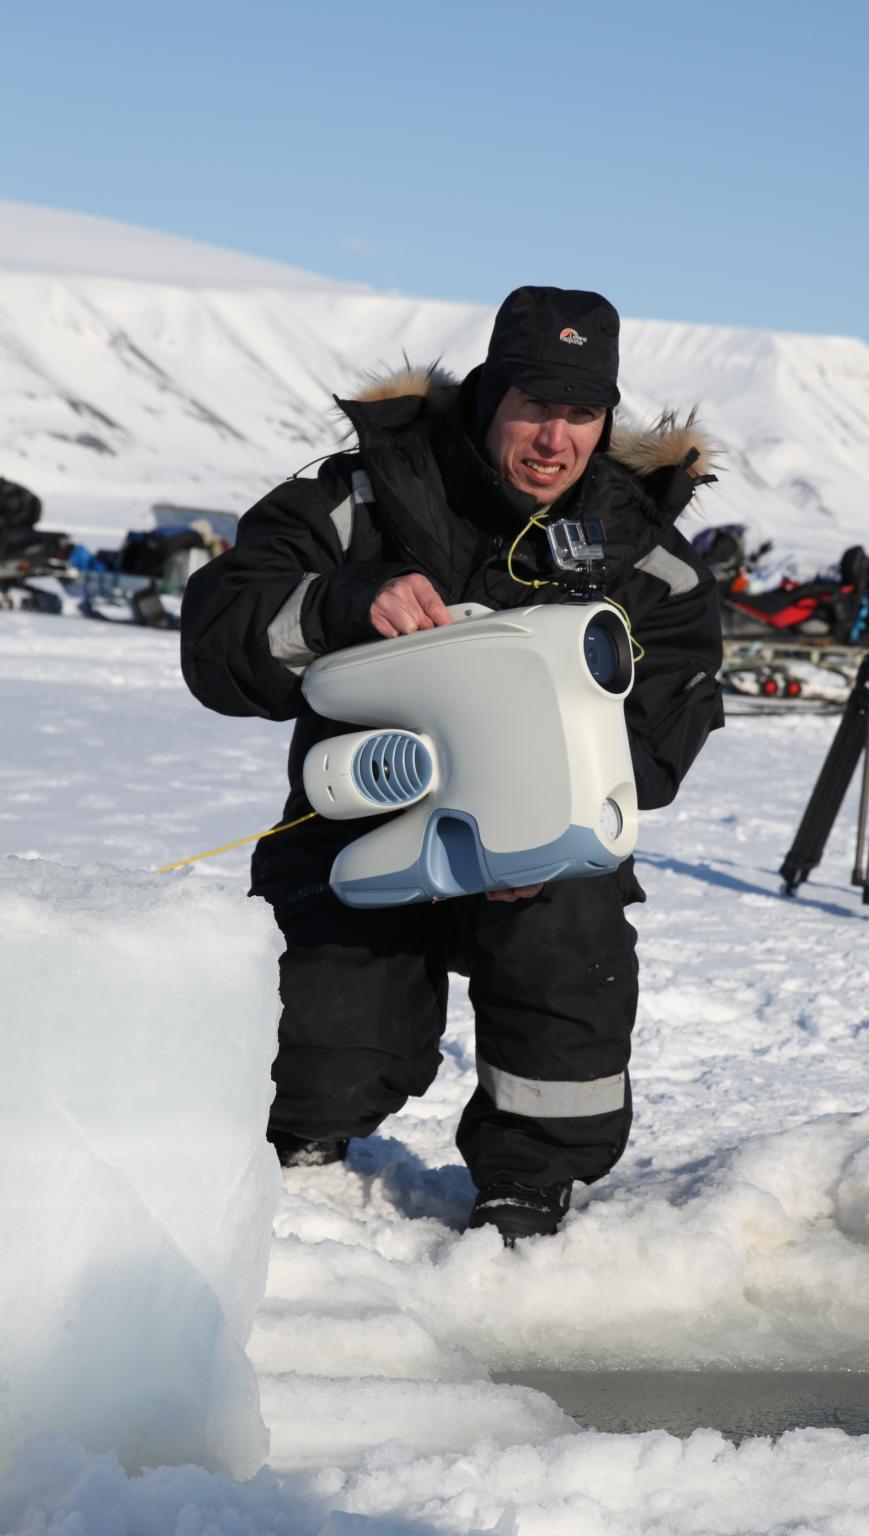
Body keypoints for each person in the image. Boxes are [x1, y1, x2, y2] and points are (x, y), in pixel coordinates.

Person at [181, 286, 723, 1244]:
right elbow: (216, 641)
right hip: (361, 834)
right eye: (533, 407)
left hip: (543, 852)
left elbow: (661, 742)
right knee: (331, 1060)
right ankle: (287, 1173)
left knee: (570, 942)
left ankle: (530, 1192)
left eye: (582, 414)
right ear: (487, 396)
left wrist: (525, 837)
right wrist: (345, 603)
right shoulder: (359, 500)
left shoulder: (648, 557)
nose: (555, 439)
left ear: (606, 419)